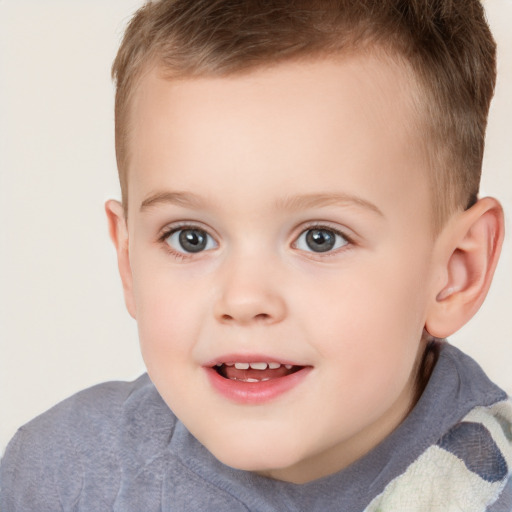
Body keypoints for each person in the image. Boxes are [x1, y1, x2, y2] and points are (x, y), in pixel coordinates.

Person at [1, 0, 511, 510]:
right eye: (190, 237)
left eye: (320, 238)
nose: (244, 299)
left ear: (455, 272)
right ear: (129, 259)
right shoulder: (62, 479)